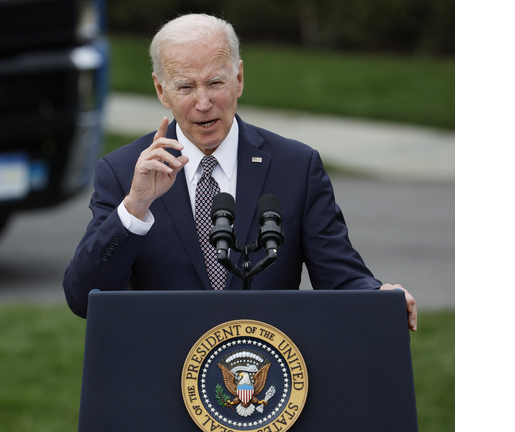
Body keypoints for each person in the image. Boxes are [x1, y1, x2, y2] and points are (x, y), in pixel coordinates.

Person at [62, 13, 417, 331]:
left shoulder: (295, 166)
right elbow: (85, 299)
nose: (203, 103)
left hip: (271, 379)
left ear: (239, 78)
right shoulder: (124, 172)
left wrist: (380, 297)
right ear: (161, 90)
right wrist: (136, 206)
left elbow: (342, 279)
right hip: (166, 379)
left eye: (215, 82)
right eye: (185, 86)